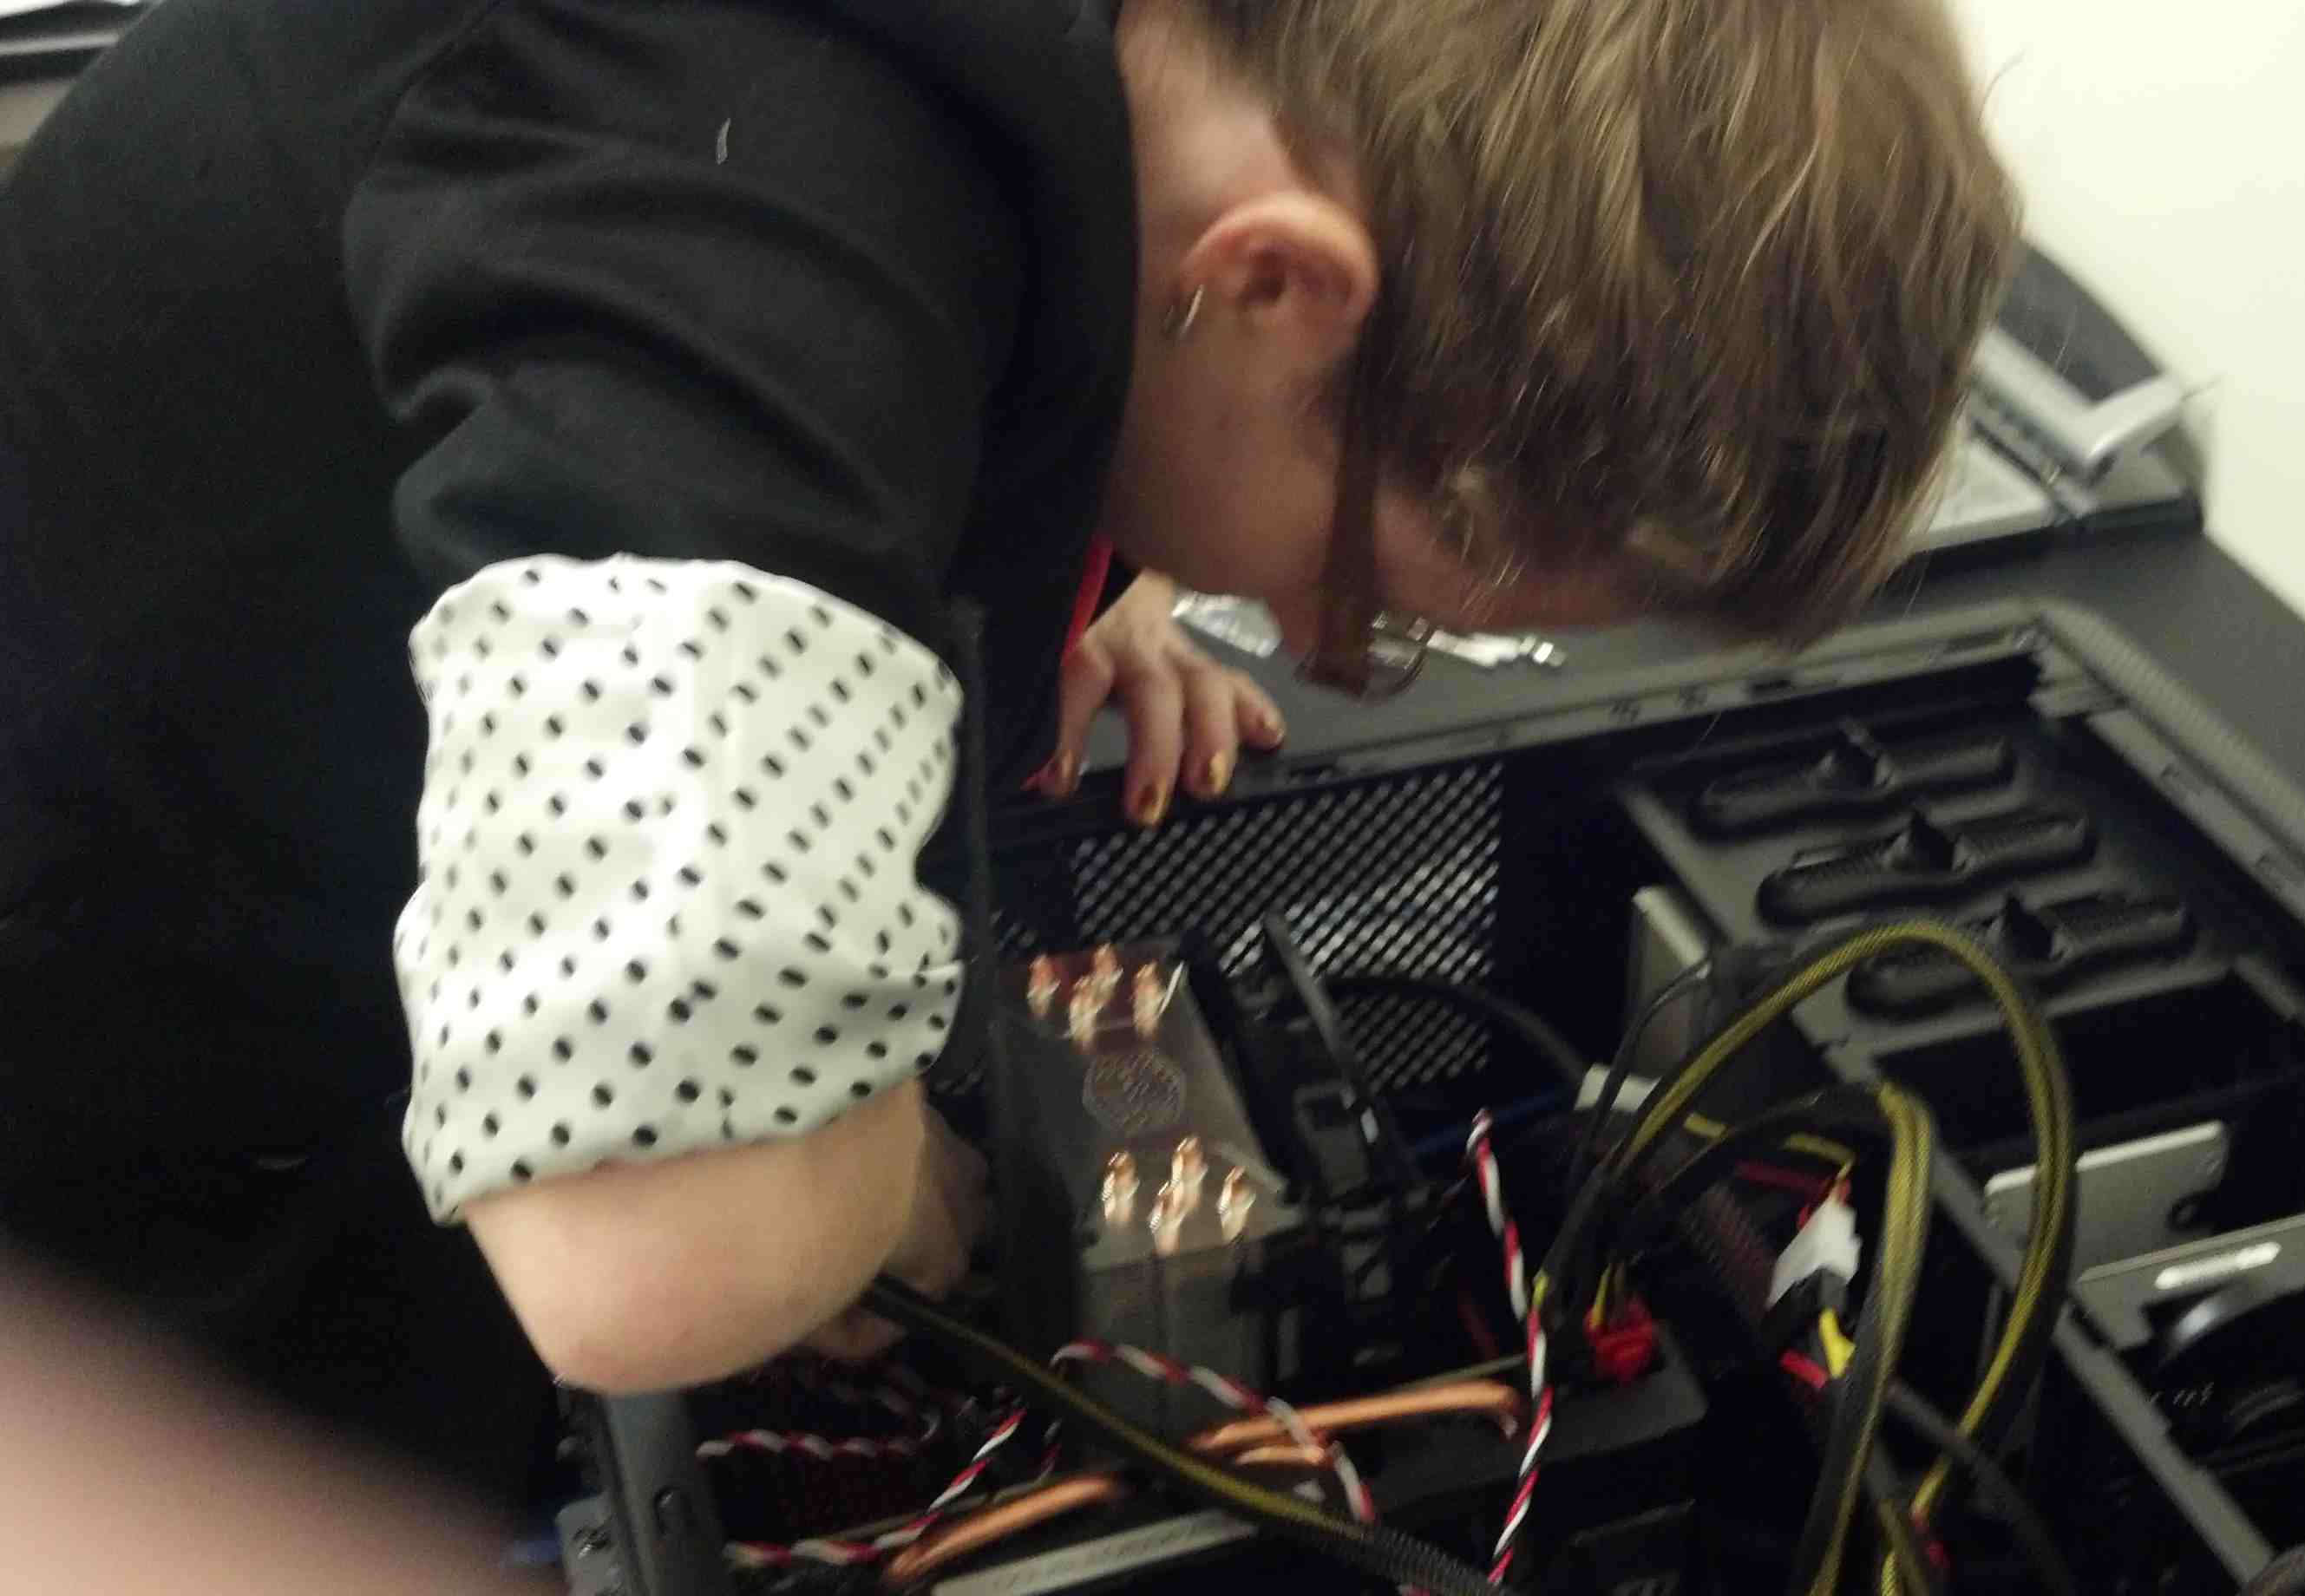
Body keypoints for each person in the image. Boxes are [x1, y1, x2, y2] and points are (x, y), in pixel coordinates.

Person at [0, 0, 2017, 1514]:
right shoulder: (747, 171)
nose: (1337, 649)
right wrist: (878, 1162)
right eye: (1380, 605)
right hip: (130, 1074)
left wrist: (1079, 575)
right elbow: (641, 1240)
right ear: (1272, 286)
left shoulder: (1119, 88)